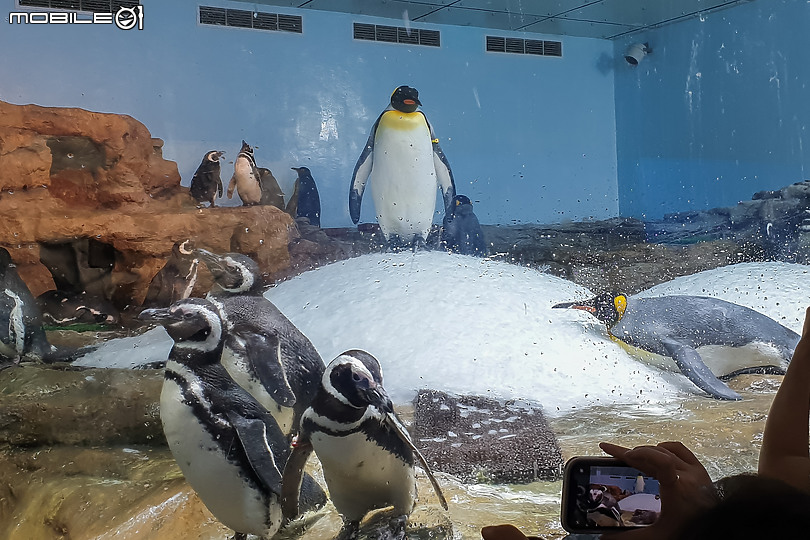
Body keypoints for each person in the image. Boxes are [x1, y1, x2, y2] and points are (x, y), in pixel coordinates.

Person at [482, 306, 810, 540]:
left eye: (719, 497)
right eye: (719, 494)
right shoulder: (792, 508)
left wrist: (702, 502)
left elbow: (785, 460)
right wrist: (701, 512)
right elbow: (787, 460)